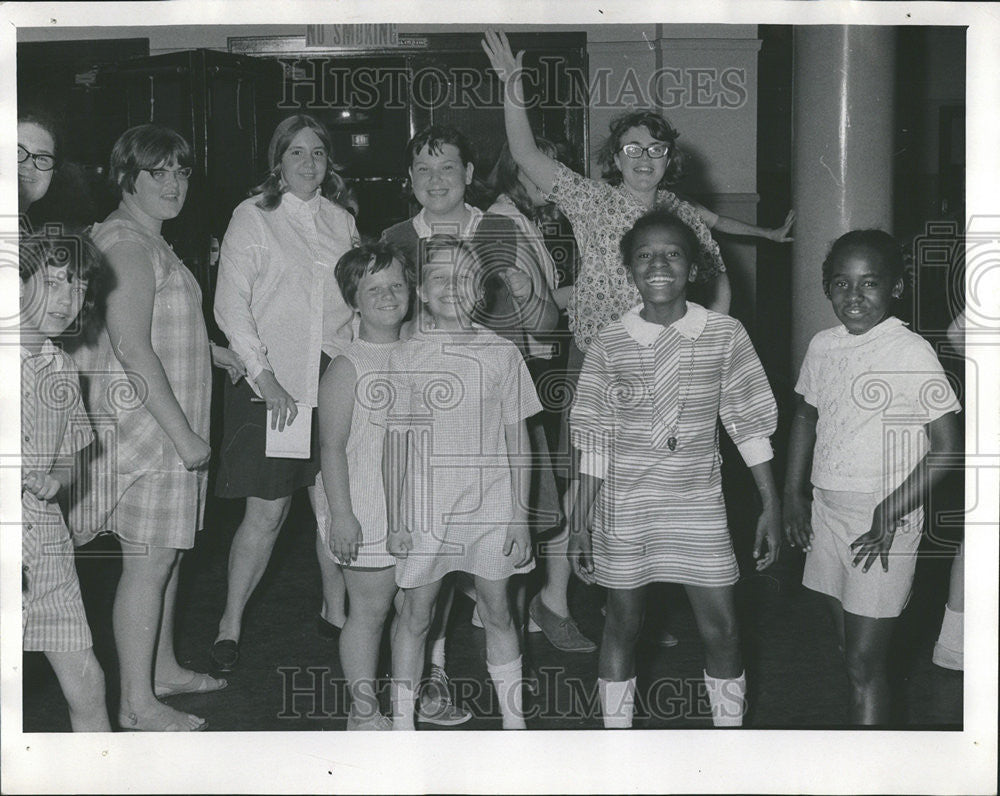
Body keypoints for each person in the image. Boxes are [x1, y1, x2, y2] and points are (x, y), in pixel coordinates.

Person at [567, 209, 782, 728]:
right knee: (622, 625)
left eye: (671, 253)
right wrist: (579, 523)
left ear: (693, 265)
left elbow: (748, 424)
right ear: (629, 270)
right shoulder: (608, 342)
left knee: (724, 629)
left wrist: (771, 505)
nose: (658, 264)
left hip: (697, 504)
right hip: (626, 506)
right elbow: (593, 439)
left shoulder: (724, 334)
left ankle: (727, 744)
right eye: (644, 255)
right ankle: (616, 747)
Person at [381, 125, 560, 721]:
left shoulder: (501, 229)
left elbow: (545, 318)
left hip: (494, 419)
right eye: (424, 171)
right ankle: (429, 684)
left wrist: (535, 297)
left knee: (495, 591)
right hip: (425, 434)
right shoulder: (393, 238)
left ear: (467, 175)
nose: (437, 181)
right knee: (420, 597)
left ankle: (511, 711)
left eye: (449, 169)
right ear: (409, 179)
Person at [71, 123, 223, 731]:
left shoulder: (144, 239)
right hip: (155, 431)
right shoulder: (129, 243)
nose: (173, 183)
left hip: (162, 425)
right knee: (150, 562)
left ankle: (160, 670)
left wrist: (219, 353)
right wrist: (185, 436)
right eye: (157, 171)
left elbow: (158, 328)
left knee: (170, 553)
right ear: (126, 176)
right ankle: (137, 705)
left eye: (181, 171)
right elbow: (132, 344)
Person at [783, 229, 962, 725]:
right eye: (842, 284)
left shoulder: (909, 352)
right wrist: (792, 493)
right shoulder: (824, 346)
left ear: (895, 288)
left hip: (883, 523)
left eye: (869, 284)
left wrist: (889, 510)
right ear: (827, 287)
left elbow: (947, 449)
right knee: (850, 655)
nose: (854, 297)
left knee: (865, 661)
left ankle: (869, 768)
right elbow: (805, 417)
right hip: (828, 513)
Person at [211, 114, 360, 672]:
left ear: (329, 162)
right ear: (279, 160)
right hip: (278, 386)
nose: (308, 163)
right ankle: (229, 625)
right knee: (269, 512)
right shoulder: (253, 217)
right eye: (296, 153)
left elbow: (353, 307)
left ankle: (336, 610)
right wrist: (265, 378)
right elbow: (231, 306)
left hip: (333, 379)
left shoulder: (342, 220)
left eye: (318, 153)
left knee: (332, 503)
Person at [385, 235, 538, 730]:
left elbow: (520, 441)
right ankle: (403, 726)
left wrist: (519, 515)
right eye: (438, 278)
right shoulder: (405, 357)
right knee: (416, 614)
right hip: (427, 510)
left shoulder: (502, 355)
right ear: (422, 292)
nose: (451, 287)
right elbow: (397, 447)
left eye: (463, 277)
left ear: (480, 288)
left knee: (498, 612)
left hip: (492, 507)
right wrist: (398, 518)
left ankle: (516, 728)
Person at [486, 141, 596, 653]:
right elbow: (533, 311)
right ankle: (532, 610)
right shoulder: (500, 224)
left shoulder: (524, 220)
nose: (551, 184)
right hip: (523, 371)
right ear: (515, 172)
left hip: (539, 365)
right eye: (538, 172)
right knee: (541, 493)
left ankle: (528, 609)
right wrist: (603, 288)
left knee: (553, 489)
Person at [314, 242, 412, 730]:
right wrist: (342, 515)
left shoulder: (421, 350)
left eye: (396, 284)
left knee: (416, 610)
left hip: (417, 504)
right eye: (374, 289)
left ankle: (411, 703)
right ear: (354, 300)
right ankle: (364, 711)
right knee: (370, 611)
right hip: (367, 505)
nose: (389, 295)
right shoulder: (347, 366)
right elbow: (331, 449)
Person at [20, 231, 113, 731]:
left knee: (88, 683)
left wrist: (57, 480)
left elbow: (73, 456)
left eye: (77, 286)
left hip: (48, 545)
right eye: (53, 281)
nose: (66, 298)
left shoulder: (62, 367)